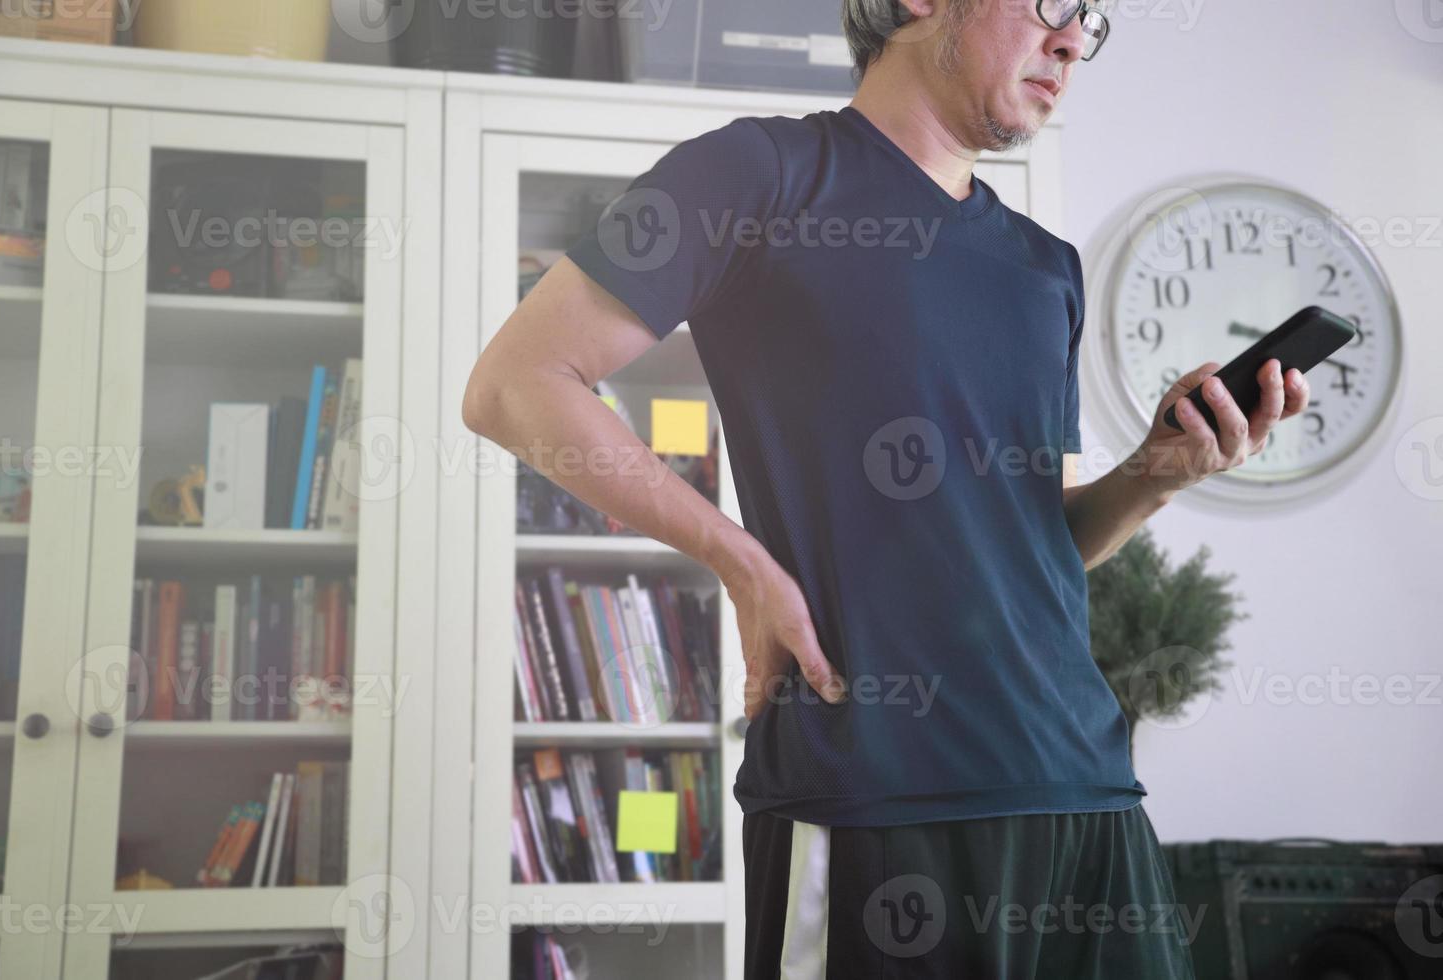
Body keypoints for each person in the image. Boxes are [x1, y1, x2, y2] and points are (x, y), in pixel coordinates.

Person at [462, 0, 1311, 975]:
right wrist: (740, 560)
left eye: (1093, 19)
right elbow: (513, 383)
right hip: (872, 798)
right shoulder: (754, 175)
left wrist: (1163, 473)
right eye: (1053, 4)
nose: (1075, 38)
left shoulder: (1047, 270)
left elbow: (1038, 545)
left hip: (1085, 793)